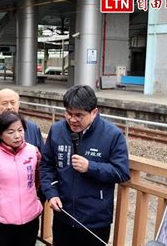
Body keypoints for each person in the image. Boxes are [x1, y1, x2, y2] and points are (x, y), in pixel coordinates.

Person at [40, 85, 130, 245]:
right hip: (63, 215)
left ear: (94, 112)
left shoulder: (112, 134)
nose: (72, 119)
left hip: (95, 220)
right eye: (68, 113)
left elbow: (121, 172)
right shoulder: (57, 130)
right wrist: (51, 193)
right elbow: (47, 165)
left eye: (79, 115)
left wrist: (90, 167)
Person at [0, 111, 42, 246]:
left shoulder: (34, 151)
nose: (17, 136)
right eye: (10, 132)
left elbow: (37, 181)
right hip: (1, 220)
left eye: (20, 130)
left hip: (30, 217)